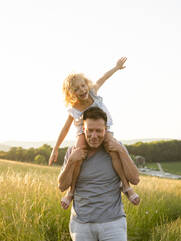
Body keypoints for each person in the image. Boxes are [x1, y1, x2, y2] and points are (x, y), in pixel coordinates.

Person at [49, 57, 140, 209]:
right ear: (71, 93)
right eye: (76, 89)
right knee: (78, 154)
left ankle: (126, 186)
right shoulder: (75, 107)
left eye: (83, 86)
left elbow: (103, 77)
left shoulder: (93, 92)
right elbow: (65, 128)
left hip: (103, 126)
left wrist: (116, 67)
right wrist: (55, 148)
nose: (81, 91)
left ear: (87, 84)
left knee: (113, 147)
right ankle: (71, 192)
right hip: (82, 131)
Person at [58, 107, 140, 241]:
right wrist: (71, 161)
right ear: (83, 130)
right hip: (81, 224)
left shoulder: (115, 147)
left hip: (113, 223)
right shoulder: (74, 151)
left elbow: (135, 179)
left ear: (106, 130)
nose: (94, 136)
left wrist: (120, 150)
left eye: (99, 131)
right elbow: (62, 186)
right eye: (90, 130)